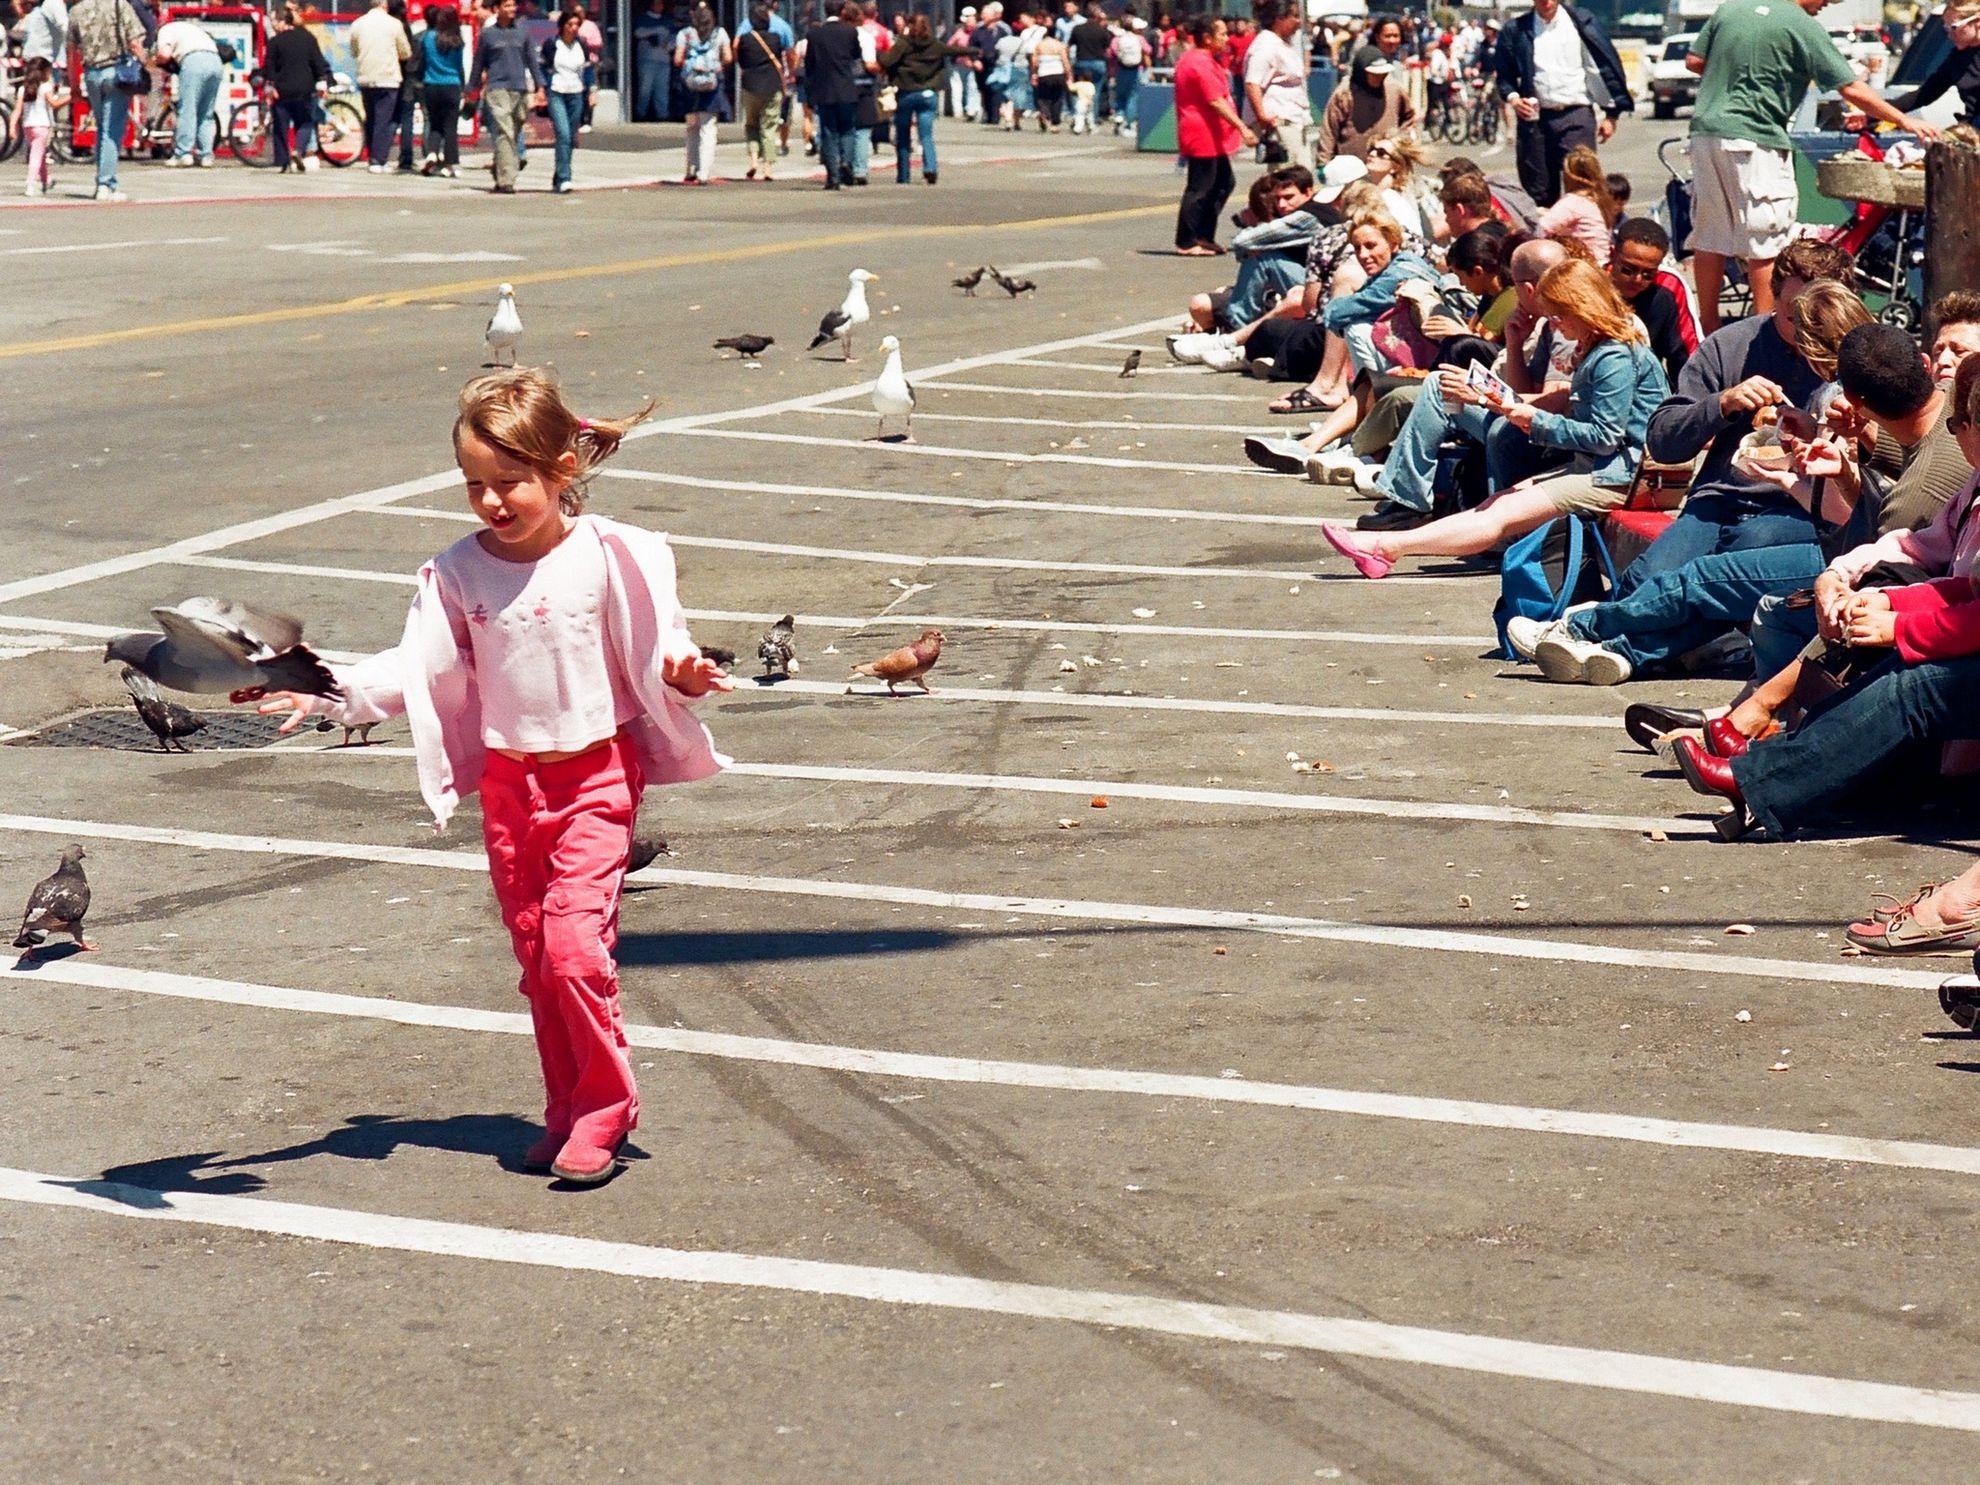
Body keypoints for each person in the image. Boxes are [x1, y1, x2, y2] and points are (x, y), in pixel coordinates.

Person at [254, 369, 732, 1187]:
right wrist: (327, 690)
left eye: (510, 483)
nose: (491, 502)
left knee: (578, 949)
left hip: (598, 774)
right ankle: (565, 1106)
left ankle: (606, 1108)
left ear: (561, 471)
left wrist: (685, 672)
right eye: (475, 484)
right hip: (513, 787)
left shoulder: (615, 557)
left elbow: (662, 648)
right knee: (541, 958)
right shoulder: (458, 574)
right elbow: (417, 668)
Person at [1509, 281, 1888, 685]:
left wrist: (1810, 466)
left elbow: (1850, 508)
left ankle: (1584, 628)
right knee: (1662, 578)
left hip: (1852, 548)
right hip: (1780, 516)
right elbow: (1664, 438)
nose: (1791, 337)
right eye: (1786, 316)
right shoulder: (1734, 346)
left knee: (1709, 579)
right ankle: (1623, 652)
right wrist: (1726, 407)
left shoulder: (1851, 399)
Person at [1676, 339, 1980, 838]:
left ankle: (1763, 765)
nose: (1952, 434)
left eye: (1958, 423)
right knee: (1855, 613)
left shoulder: (1938, 478)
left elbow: (1923, 556)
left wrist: (1899, 623)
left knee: (1916, 681)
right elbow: (1947, 574)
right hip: (1913, 595)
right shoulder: (1973, 481)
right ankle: (1773, 758)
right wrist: (1869, 594)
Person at [1323, 258, 1671, 578]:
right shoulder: (1602, 347)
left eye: (1559, 315)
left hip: (1624, 477)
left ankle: (1385, 547)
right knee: (1497, 502)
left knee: (1502, 511)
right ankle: (1385, 547)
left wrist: (1533, 419)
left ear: (1580, 307)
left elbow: (1604, 436)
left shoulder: (1614, 356)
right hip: (1608, 469)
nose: (1555, 324)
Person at [1687, 0, 1941, 337]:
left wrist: (1735, 76)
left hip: (1705, 133)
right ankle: (1768, 337)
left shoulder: (1731, 8)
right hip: (1755, 138)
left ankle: (1708, 330)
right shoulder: (1802, 25)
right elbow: (1850, 87)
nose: (1824, 6)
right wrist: (1902, 120)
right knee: (1766, 241)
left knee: (1709, 237)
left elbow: (1695, 61)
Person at [1492, 0, 1630, 208]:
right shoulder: (1516, 30)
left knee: (1582, 189)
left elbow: (1605, 66)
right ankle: (1546, 239)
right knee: (1539, 193)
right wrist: (1514, 98)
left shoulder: (1582, 22)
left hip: (1576, 115)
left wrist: (1612, 115)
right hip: (1536, 120)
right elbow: (1504, 75)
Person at [1172, 13, 1255, 256]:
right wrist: (1242, 127)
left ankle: (1203, 234)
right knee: (1200, 188)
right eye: (1221, 34)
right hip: (1201, 133)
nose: (1226, 38)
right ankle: (1186, 240)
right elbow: (1215, 101)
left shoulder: (1206, 59)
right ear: (1207, 38)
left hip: (1212, 135)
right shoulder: (1197, 62)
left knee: (1222, 183)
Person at [65, 0, 145, 201]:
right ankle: (106, 183)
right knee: (113, 128)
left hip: (91, 74)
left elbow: (71, 51)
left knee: (102, 127)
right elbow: (135, 42)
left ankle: (102, 180)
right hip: (116, 71)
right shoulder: (119, 4)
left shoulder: (76, 10)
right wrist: (146, 64)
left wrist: (74, 84)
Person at [467, 0, 547, 194]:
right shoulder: (488, 35)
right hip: (497, 89)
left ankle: (499, 169)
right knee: (505, 133)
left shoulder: (522, 32)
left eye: (513, 5)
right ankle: (507, 180)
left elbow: (532, 61)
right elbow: (478, 63)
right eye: (507, 6)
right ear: (497, 9)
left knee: (513, 131)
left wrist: (540, 86)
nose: (511, 9)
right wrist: (471, 88)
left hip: (518, 89)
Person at [1606, 217, 1694, 383]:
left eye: (1648, 274)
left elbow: (1688, 355)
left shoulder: (1669, 286)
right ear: (1612, 255)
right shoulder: (1590, 282)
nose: (1637, 279)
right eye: (1628, 269)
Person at [882, 13, 966, 182]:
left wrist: (878, 53)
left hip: (906, 92)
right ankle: (930, 167)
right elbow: (954, 50)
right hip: (928, 93)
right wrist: (975, 51)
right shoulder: (935, 44)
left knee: (903, 134)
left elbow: (887, 61)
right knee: (926, 134)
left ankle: (904, 175)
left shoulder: (903, 43)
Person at [806, 0, 876, 188]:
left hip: (825, 90)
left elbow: (809, 65)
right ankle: (846, 161)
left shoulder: (815, 34)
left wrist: (810, 94)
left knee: (829, 132)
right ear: (842, 11)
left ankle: (833, 177)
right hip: (847, 88)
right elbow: (856, 55)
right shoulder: (850, 32)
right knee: (848, 129)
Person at [1314, 44, 1413, 162]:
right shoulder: (1345, 93)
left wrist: (1402, 140)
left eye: (1383, 73)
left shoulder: (1394, 89)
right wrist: (1323, 161)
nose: (1379, 77)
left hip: (1386, 162)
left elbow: (1409, 117)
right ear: (1362, 72)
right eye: (1374, 74)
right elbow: (1329, 129)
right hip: (1352, 165)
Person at [1244, 0, 1311, 171]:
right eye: (1294, 16)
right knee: (1285, 176)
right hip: (1280, 122)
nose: (1299, 22)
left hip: (1295, 119)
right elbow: (1253, 83)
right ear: (1279, 19)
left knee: (1302, 174)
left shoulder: (1284, 44)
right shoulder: (1266, 45)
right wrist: (1262, 116)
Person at [265, 2, 331, 173]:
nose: (272, 25)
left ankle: (281, 160)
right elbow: (317, 62)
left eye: (273, 21)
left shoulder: (274, 42)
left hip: (282, 89)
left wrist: (270, 87)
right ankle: (298, 150)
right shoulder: (307, 38)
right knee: (305, 122)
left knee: (281, 126)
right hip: (305, 89)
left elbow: (270, 68)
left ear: (281, 21)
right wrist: (322, 81)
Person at [151, 9, 220, 166]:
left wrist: (156, 60)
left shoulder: (165, 30)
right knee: (206, 113)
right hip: (215, 61)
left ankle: (183, 153)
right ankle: (206, 155)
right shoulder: (191, 28)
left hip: (193, 61)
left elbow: (165, 54)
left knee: (188, 109)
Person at [349, 0, 411, 174]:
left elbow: (354, 51)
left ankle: (372, 156)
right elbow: (405, 51)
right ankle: (378, 159)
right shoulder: (394, 24)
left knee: (371, 118)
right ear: (384, 4)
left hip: (366, 76)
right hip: (388, 77)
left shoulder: (358, 24)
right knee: (384, 120)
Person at [673, 3, 731, 184]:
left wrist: (692, 67)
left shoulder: (685, 34)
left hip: (690, 87)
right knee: (708, 128)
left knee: (691, 128)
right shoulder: (720, 34)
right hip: (711, 87)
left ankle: (691, 167)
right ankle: (704, 172)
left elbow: (677, 59)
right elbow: (728, 58)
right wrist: (715, 67)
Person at [1534, 145, 1614, 262]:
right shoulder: (1599, 201)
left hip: (1586, 264)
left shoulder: (1573, 202)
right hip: (1602, 261)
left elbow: (1540, 230)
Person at [738, 1, 791, 181]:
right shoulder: (776, 38)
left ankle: (753, 160)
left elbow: (741, 61)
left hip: (751, 86)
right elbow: (786, 56)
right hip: (772, 86)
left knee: (751, 124)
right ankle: (768, 167)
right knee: (769, 126)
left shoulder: (745, 40)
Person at [541, 8, 587, 192]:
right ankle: (565, 177)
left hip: (576, 92)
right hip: (557, 91)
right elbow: (543, 67)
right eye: (570, 24)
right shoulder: (552, 44)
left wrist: (591, 90)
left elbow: (588, 70)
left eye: (576, 25)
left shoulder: (581, 44)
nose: (573, 28)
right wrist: (541, 88)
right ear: (562, 26)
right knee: (563, 134)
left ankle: (559, 175)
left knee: (571, 138)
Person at [8, 56, 69, 195]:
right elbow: (54, 104)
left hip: (28, 126)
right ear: (44, 72)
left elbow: (17, 110)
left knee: (39, 154)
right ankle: (30, 183)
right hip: (42, 126)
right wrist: (70, 98)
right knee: (36, 155)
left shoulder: (23, 89)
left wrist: (12, 126)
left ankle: (46, 180)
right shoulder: (45, 87)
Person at [418, 4, 465, 177]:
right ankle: (450, 163)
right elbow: (459, 67)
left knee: (435, 123)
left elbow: (422, 61)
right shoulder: (457, 41)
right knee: (451, 127)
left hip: (431, 84)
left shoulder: (428, 37)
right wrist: (463, 87)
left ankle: (431, 152)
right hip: (451, 84)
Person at [631, 0, 672, 122]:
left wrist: (669, 45)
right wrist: (656, 31)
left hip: (664, 60)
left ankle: (662, 115)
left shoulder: (667, 21)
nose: (659, 6)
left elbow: (674, 38)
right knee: (645, 89)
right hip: (647, 60)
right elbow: (638, 33)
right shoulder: (643, 19)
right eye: (656, 3)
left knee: (662, 89)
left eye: (661, 4)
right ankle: (641, 113)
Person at [971, 1, 1010, 126]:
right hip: (982, 65)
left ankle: (994, 116)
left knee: (995, 89)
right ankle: (987, 114)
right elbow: (971, 47)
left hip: (998, 65)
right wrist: (975, 60)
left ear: (993, 16)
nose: (982, 16)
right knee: (984, 89)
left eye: (985, 14)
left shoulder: (1002, 30)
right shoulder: (978, 30)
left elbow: (1009, 44)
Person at [1070, 4, 1111, 122]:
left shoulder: (1077, 29)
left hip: (1081, 61)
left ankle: (1077, 116)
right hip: (1098, 62)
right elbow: (1107, 47)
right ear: (1097, 17)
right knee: (1095, 92)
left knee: (1078, 90)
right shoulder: (1102, 30)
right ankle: (1092, 118)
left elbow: (1070, 44)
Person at [1029, 15, 1069, 128]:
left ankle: (1044, 114)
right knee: (1057, 98)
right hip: (1058, 73)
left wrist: (1034, 73)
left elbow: (1034, 61)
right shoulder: (1060, 45)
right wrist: (1069, 75)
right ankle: (1055, 123)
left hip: (1044, 73)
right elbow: (1065, 61)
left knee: (1043, 97)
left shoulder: (1040, 45)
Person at [1108, 11, 1145, 132]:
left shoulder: (1117, 39)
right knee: (1132, 96)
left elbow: (1110, 53)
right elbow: (1148, 50)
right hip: (1135, 69)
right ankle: (1129, 123)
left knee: (1120, 95)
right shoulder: (1139, 38)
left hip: (1120, 69)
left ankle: (1119, 116)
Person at [947, 6, 981, 120]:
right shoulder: (958, 31)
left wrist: (974, 60)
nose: (970, 24)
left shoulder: (978, 32)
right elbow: (949, 46)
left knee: (972, 87)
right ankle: (958, 111)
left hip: (972, 65)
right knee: (957, 88)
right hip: (958, 64)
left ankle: (972, 110)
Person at [21, 0, 69, 71]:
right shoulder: (54, 3)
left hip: (36, 56)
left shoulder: (46, 5)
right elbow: (65, 28)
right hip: (42, 60)